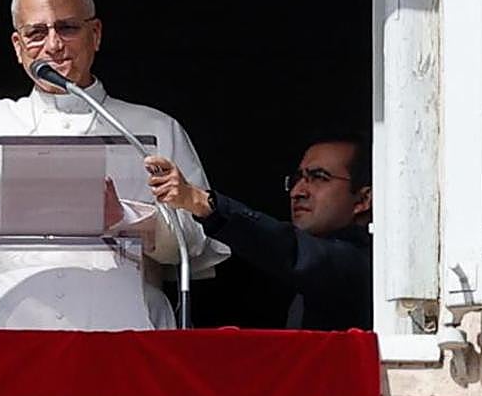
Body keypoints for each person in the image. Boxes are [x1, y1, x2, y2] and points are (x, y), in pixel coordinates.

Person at [0, 0, 227, 329]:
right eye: (36, 33)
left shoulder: (153, 128)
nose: (53, 45)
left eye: (67, 28)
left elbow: (194, 240)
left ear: (95, 34)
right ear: (18, 47)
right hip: (1, 325)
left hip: (123, 326)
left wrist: (125, 217)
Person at [145, 135, 372, 330]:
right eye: (297, 179)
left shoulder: (368, 264)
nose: (297, 191)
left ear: (363, 199)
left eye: (319, 177)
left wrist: (200, 201)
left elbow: (291, 250)